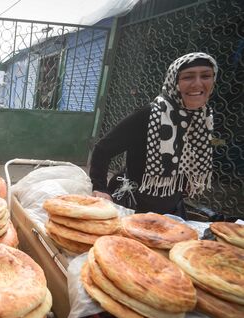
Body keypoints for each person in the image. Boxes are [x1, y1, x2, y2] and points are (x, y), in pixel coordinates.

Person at [89, 52, 217, 218]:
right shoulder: (150, 114)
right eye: (188, 77)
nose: (198, 83)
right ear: (174, 81)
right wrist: (100, 188)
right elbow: (102, 149)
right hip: (132, 205)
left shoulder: (203, 119)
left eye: (206, 76)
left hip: (172, 209)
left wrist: (183, 181)